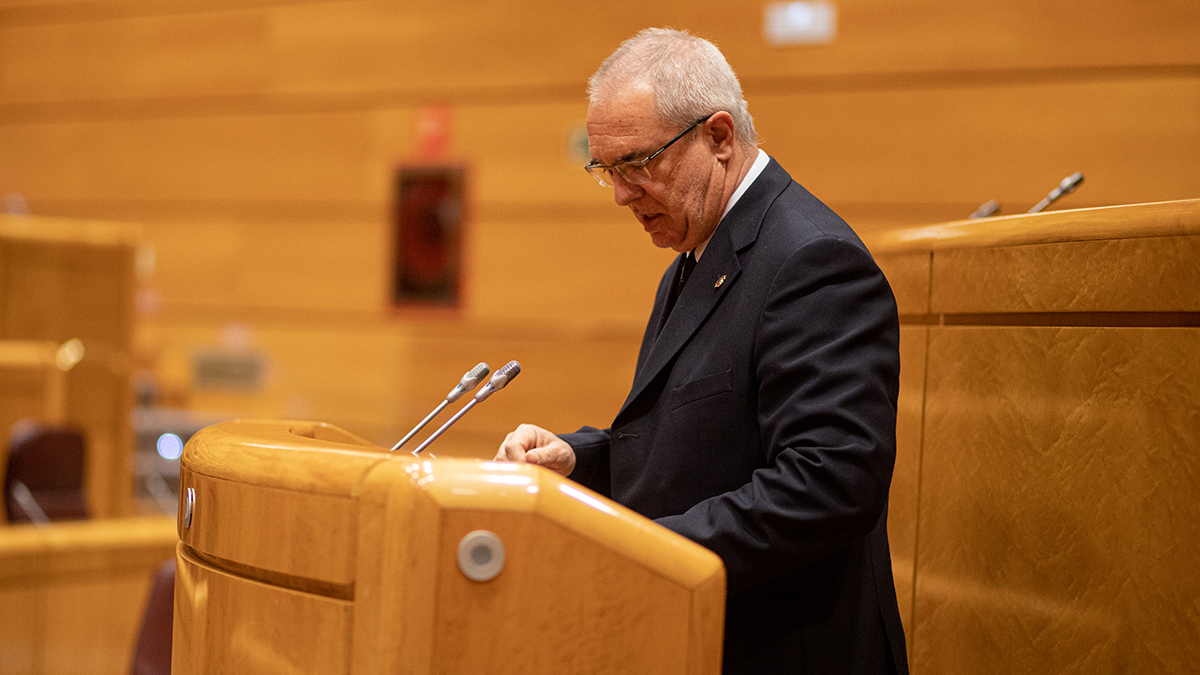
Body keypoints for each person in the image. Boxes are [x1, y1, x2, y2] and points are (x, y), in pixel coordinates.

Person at [495, 27, 907, 675]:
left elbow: (829, 482)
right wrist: (579, 458)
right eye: (606, 170)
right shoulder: (697, 254)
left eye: (637, 164)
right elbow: (690, 438)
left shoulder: (811, 260)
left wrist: (641, 551)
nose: (621, 194)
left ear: (718, 137)